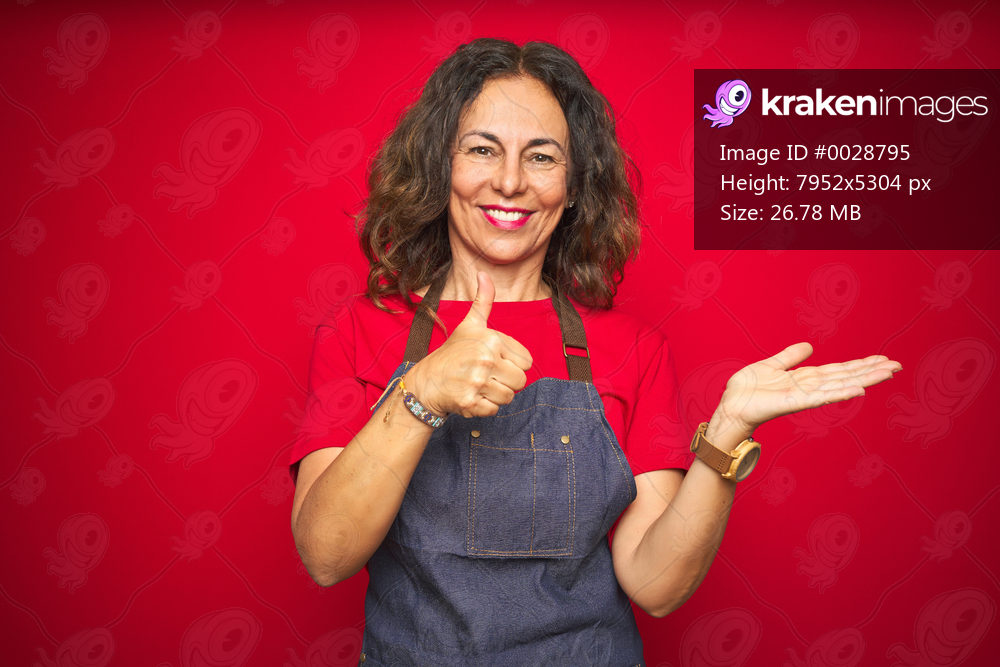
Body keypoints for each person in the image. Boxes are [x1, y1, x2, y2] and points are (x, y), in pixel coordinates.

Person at [289, 38, 900, 667]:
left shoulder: (633, 349)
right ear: (439, 166)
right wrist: (420, 392)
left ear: (575, 185)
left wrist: (725, 438)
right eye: (481, 150)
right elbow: (326, 555)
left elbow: (656, 585)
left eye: (542, 157)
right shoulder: (356, 332)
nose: (510, 182)